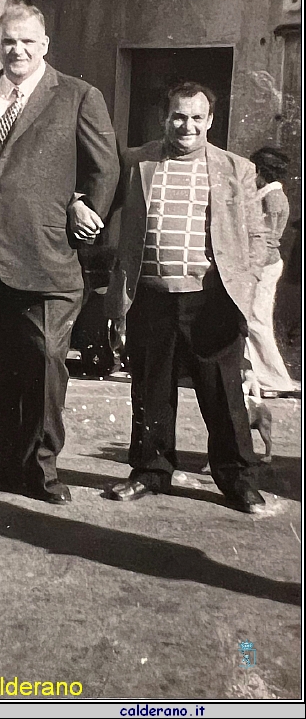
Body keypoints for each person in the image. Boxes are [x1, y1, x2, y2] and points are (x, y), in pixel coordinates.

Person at [0, 3, 119, 503]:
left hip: (49, 258)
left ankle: (43, 466)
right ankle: (3, 459)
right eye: (9, 41)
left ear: (45, 45)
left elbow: (104, 167)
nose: (18, 50)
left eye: (28, 41)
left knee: (47, 359)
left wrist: (85, 210)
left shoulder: (77, 96)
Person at [105, 81, 268, 513]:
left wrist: (244, 284)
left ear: (210, 121)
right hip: (151, 297)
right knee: (150, 390)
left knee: (224, 394)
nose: (187, 125)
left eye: (197, 117)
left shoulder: (236, 169)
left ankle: (238, 480)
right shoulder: (137, 161)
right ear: (165, 117)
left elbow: (257, 236)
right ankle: (150, 472)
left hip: (211, 300)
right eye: (179, 116)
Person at [244, 146, 295, 397]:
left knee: (257, 320)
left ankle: (276, 380)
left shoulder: (273, 198)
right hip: (260, 264)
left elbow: (268, 239)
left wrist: (252, 268)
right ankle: (255, 375)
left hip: (264, 266)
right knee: (252, 320)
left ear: (262, 171)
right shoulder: (265, 193)